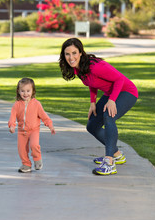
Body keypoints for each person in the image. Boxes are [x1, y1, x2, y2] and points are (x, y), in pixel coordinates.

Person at [59, 38, 138, 176]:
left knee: (109, 116)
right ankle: (117, 154)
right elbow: (91, 83)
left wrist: (112, 100)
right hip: (111, 93)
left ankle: (109, 161)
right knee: (92, 126)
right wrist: (92, 103)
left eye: (74, 53)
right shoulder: (78, 68)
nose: (71, 57)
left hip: (127, 91)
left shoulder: (95, 66)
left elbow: (119, 79)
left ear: (81, 53)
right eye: (67, 54)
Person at [8, 77, 56, 173]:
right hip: (22, 131)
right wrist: (12, 126)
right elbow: (12, 117)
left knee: (34, 145)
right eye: (22, 91)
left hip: (34, 130)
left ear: (33, 91)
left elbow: (44, 116)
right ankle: (26, 165)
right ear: (18, 91)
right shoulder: (17, 105)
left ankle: (37, 159)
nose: (25, 94)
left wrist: (50, 125)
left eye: (28, 91)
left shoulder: (37, 104)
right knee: (22, 150)